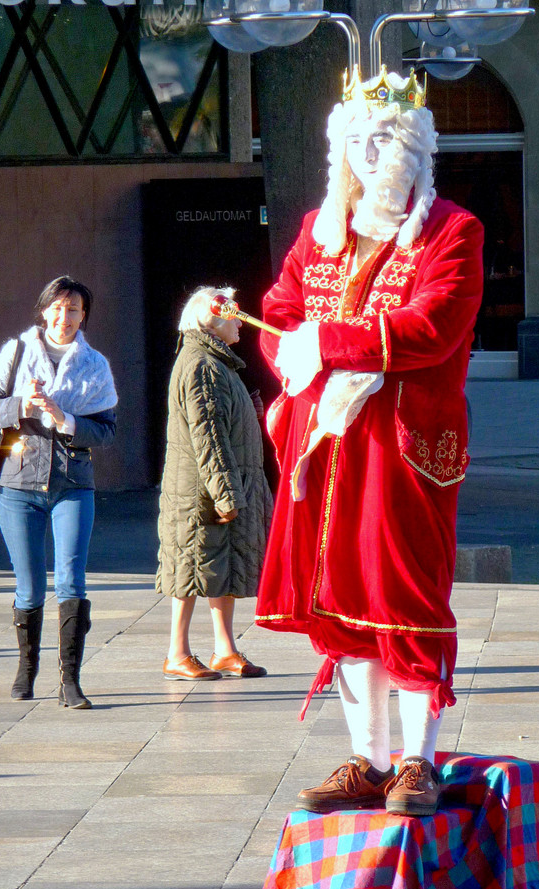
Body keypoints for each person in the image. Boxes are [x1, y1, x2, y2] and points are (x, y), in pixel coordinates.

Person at [255, 68, 485, 816]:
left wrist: (325, 340)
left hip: (400, 446)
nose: (367, 153)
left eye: (383, 139)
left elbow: (432, 326)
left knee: (406, 595)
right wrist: (292, 346)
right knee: (341, 602)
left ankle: (416, 761)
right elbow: (283, 308)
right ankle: (368, 758)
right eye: (355, 140)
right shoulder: (321, 234)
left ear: (414, 149)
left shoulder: (454, 230)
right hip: (325, 448)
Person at [0, 276, 117, 709]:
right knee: (30, 586)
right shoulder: (15, 354)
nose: (64, 317)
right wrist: (23, 406)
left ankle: (70, 681)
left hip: (73, 485)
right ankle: (26, 669)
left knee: (72, 578)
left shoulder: (95, 365)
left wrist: (65, 418)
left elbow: (106, 431)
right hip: (19, 485)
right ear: (44, 311)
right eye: (57, 308)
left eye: (73, 310)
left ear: (84, 316)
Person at [156, 286, 274, 680]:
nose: (239, 321)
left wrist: (248, 412)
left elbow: (222, 423)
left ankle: (225, 649)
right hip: (200, 489)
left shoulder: (217, 362)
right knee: (191, 567)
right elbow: (208, 435)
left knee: (216, 566)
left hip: (216, 483)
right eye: (233, 314)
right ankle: (177, 651)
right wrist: (226, 494)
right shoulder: (202, 364)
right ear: (213, 316)